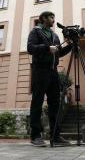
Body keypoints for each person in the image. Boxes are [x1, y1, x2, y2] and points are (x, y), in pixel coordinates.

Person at [27, 11, 72, 147]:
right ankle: (36, 136)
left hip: (53, 72)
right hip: (39, 70)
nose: (53, 19)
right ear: (44, 19)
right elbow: (30, 48)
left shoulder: (55, 35)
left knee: (55, 105)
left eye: (54, 17)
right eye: (51, 17)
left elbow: (59, 52)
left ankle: (55, 136)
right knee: (37, 103)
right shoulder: (36, 32)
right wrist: (47, 48)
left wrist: (70, 45)